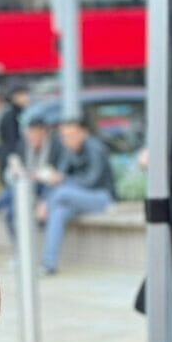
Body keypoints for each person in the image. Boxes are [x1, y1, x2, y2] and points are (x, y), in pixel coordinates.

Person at [36, 118, 114, 276]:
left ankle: (40, 219)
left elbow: (92, 181)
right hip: (74, 198)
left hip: (101, 198)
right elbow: (57, 179)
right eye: (64, 136)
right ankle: (48, 263)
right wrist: (44, 199)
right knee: (59, 212)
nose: (68, 139)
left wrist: (62, 181)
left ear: (83, 133)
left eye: (72, 135)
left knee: (62, 193)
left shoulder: (95, 148)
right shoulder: (68, 151)